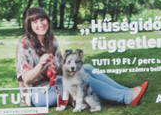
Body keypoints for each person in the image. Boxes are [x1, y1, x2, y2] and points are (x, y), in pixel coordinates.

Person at [16, 7, 149, 109]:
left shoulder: (51, 40)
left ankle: (126, 90)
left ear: (47, 21)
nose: (40, 24)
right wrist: (41, 65)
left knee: (86, 68)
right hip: (39, 94)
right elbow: (26, 78)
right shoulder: (24, 45)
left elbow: (61, 67)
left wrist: (72, 65)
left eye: (42, 19)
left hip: (56, 83)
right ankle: (126, 97)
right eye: (35, 21)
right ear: (29, 25)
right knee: (83, 78)